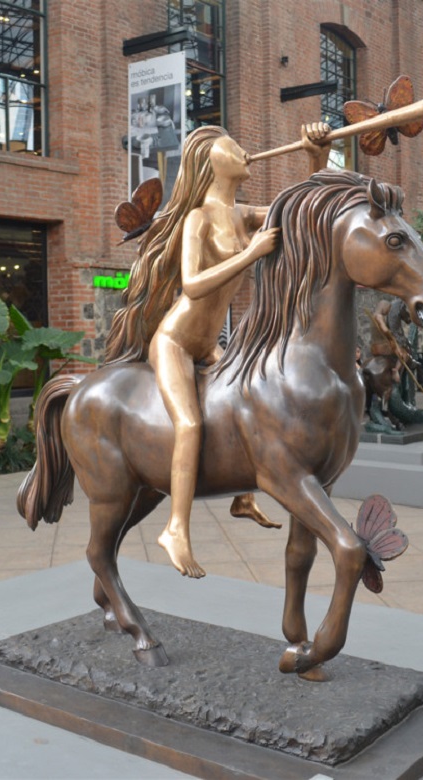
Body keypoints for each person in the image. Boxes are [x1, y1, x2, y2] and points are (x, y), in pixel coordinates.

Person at [106, 123, 330, 578]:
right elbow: (191, 284)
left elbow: (301, 211)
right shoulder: (198, 219)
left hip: (208, 345)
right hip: (174, 342)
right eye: (233, 147)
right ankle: (176, 528)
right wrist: (251, 255)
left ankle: (243, 497)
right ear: (211, 162)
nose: (245, 151)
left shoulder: (243, 215)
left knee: (250, 401)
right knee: (189, 423)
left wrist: (316, 159)